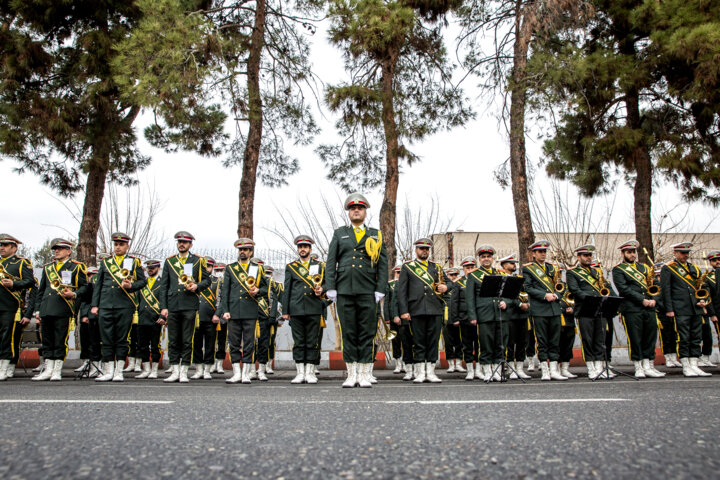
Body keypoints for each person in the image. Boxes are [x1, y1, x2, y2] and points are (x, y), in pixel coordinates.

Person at [325, 193, 388, 388]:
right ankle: (351, 374)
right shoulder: (339, 233)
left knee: (367, 332)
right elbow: (330, 262)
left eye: (360, 208)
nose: (356, 210)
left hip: (368, 290)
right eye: (353, 208)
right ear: (349, 213)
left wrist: (380, 289)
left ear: (365, 212)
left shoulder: (376, 234)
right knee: (349, 332)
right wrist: (331, 287)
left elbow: (383, 264)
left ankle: (364, 373)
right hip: (344, 289)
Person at [91, 232, 147, 382]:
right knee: (107, 338)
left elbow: (143, 282)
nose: (118, 247)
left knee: (122, 339)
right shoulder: (106, 262)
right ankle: (108, 371)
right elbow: (99, 285)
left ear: (127, 246)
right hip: (106, 304)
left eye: (121, 245)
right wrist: (95, 305)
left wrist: (131, 286)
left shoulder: (134, 262)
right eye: (116, 244)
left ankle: (119, 371)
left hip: (125, 304)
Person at [158, 231, 210, 383]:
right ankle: (174, 370)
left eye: (185, 242)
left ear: (190, 244)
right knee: (173, 340)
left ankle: (184, 371)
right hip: (173, 305)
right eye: (179, 241)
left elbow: (207, 281)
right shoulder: (169, 261)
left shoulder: (198, 261)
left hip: (189, 304)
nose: (182, 244)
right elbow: (164, 287)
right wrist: (163, 307)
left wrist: (197, 286)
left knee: (187, 340)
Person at [33, 238, 88, 381]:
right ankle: (48, 369)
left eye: (60, 248)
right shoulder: (47, 268)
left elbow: (85, 287)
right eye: (55, 249)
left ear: (69, 251)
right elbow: (41, 290)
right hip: (46, 308)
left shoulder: (76, 267)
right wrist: (38, 309)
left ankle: (57, 370)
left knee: (59, 340)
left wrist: (74, 294)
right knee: (47, 341)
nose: (56, 251)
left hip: (63, 308)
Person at [397, 238, 448, 383]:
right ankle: (420, 373)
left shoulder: (436, 267)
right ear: (416, 250)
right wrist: (404, 310)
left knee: (433, 342)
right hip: (416, 309)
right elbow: (402, 292)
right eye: (421, 249)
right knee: (418, 342)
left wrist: (445, 287)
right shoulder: (408, 267)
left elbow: (449, 283)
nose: (424, 251)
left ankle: (430, 373)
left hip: (434, 309)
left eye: (426, 249)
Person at [612, 240, 665, 378]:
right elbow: (624, 289)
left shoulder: (645, 268)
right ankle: (638, 366)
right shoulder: (618, 269)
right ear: (622, 253)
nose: (632, 255)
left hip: (649, 308)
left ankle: (649, 365)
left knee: (650, 337)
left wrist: (654, 300)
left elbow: (656, 286)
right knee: (635, 338)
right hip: (632, 308)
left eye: (633, 252)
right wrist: (643, 300)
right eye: (629, 252)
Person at [219, 238, 269, 384]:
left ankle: (246, 374)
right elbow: (225, 292)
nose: (242, 252)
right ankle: (236, 373)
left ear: (251, 252)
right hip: (233, 311)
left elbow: (266, 289)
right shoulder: (230, 268)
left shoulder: (258, 269)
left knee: (249, 343)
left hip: (250, 311)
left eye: (245, 249)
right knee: (233, 343)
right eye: (240, 249)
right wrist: (225, 310)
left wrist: (258, 290)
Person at [661, 242, 712, 377]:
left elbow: (703, 286)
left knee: (696, 337)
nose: (686, 255)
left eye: (687, 253)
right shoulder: (668, 268)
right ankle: (686, 365)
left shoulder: (694, 268)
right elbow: (666, 290)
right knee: (683, 337)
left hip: (696, 308)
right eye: (683, 253)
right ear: (675, 253)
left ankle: (694, 364)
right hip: (680, 308)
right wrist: (669, 309)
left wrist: (704, 301)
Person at [282, 235, 326, 384]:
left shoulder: (320, 266)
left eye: (305, 247)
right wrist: (286, 311)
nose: (302, 249)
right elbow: (287, 290)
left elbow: (328, 285)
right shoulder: (291, 267)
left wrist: (322, 289)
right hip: (296, 309)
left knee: (312, 342)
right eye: (300, 247)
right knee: (299, 342)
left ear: (310, 249)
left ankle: (311, 372)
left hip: (314, 308)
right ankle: (300, 372)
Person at [465, 245, 511, 382]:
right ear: (479, 259)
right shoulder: (473, 275)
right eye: (483, 257)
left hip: (500, 314)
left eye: (488, 257)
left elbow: (509, 293)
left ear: (492, 258)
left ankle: (497, 370)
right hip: (484, 315)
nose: (486, 259)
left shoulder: (501, 273)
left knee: (500, 344)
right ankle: (487, 370)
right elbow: (470, 298)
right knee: (486, 344)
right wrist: (472, 316)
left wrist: (506, 302)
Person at [522, 240, 564, 381]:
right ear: (534, 253)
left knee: (555, 340)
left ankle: (554, 370)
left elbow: (560, 285)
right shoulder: (529, 268)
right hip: (539, 309)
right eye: (540, 252)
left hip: (554, 309)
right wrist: (544, 295)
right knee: (542, 340)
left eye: (544, 251)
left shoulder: (553, 268)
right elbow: (528, 287)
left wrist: (558, 295)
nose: (543, 254)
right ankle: (545, 371)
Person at [0, 234, 35, 381]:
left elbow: (30, 282)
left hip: (9, 306)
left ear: (14, 248)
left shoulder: (21, 263)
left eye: (5, 245)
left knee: (6, 337)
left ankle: (5, 366)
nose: (1, 248)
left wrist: (14, 284)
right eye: (1, 245)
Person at [498, 254, 531, 380]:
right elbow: (506, 296)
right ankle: (511, 367)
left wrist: (526, 303)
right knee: (510, 342)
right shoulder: (502, 278)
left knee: (522, 342)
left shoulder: (519, 278)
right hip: (510, 314)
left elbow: (525, 293)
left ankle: (520, 368)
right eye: (511, 263)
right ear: (504, 265)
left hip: (522, 314)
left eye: (514, 263)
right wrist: (519, 304)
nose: (514, 265)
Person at [191, 257, 221, 380]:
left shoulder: (218, 281)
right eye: (205, 266)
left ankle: (207, 370)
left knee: (210, 346)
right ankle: (198, 370)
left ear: (212, 267)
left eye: (209, 266)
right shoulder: (192, 281)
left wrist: (217, 314)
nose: (207, 268)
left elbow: (221, 299)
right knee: (196, 345)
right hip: (196, 317)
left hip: (210, 318)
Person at [135, 260, 164, 379]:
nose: (150, 269)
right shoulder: (143, 282)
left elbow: (164, 301)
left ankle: (154, 370)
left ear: (158, 268)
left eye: (153, 267)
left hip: (155, 318)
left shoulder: (162, 283)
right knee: (142, 345)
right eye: (149, 268)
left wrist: (163, 316)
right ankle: (146, 369)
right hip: (143, 318)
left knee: (155, 345)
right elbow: (138, 300)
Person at [454, 256, 480, 380]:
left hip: (479, 317)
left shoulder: (480, 280)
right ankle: (470, 369)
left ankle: (479, 369)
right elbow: (455, 302)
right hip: (464, 318)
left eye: (472, 267)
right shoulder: (458, 283)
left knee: (479, 344)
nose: (469, 270)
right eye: (467, 268)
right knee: (467, 344)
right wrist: (456, 318)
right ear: (463, 269)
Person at [76, 266, 102, 377]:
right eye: (90, 275)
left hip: (99, 317)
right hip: (88, 317)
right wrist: (84, 315)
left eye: (94, 275)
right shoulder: (87, 287)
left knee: (97, 342)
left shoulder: (100, 286)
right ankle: (87, 363)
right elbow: (84, 303)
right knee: (86, 341)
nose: (92, 277)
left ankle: (98, 365)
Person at [443, 267, 465, 374]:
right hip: (446, 319)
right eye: (451, 275)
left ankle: (459, 364)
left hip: (458, 319)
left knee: (459, 342)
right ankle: (451, 364)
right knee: (448, 342)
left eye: (455, 275)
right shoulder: (444, 287)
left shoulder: (460, 285)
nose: (453, 277)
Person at [209, 263, 227, 374]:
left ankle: (219, 364)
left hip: (223, 316)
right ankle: (211, 363)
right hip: (212, 314)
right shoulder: (210, 282)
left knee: (222, 340)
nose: (219, 272)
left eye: (221, 270)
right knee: (211, 341)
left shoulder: (226, 282)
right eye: (217, 270)